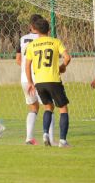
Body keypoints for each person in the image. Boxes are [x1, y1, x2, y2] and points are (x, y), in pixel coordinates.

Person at [25, 19, 71, 147]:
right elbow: (67, 57)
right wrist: (63, 66)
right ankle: (62, 141)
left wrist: (30, 82)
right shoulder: (55, 42)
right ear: (48, 29)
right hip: (54, 80)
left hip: (39, 82)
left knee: (48, 107)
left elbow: (27, 65)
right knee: (63, 109)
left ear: (35, 30)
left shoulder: (32, 45)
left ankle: (45, 133)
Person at [16, 14, 55, 145]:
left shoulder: (22, 39)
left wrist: (25, 68)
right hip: (41, 77)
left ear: (30, 26)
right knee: (48, 107)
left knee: (33, 108)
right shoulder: (45, 39)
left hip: (24, 78)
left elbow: (18, 60)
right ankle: (51, 138)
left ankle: (29, 138)